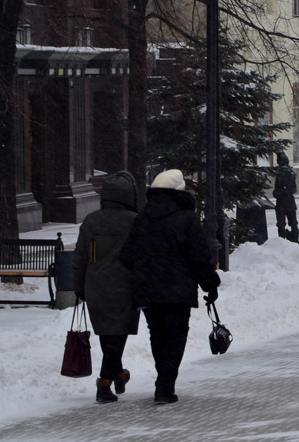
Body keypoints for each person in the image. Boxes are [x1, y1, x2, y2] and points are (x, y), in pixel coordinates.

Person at [118, 169, 221, 406]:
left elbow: (127, 255)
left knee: (158, 336)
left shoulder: (142, 218)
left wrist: (146, 270)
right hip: (177, 292)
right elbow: (197, 256)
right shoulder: (187, 219)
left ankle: (163, 381)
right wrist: (210, 283)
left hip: (149, 291)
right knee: (175, 337)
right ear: (178, 192)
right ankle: (165, 387)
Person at [72, 171, 139, 403]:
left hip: (97, 288)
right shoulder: (135, 221)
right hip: (126, 288)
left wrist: (78, 286)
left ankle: (118, 374)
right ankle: (104, 382)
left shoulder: (92, 221)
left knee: (107, 336)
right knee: (117, 337)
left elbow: (80, 257)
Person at [272, 152, 299, 243]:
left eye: (278, 160)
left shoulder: (283, 172)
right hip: (289, 202)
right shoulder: (290, 171)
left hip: (283, 202)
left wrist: (277, 193)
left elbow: (287, 189)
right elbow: (293, 189)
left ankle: (284, 241)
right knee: (291, 223)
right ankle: (293, 239)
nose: (277, 161)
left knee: (282, 223)